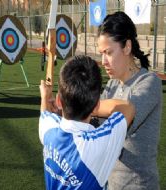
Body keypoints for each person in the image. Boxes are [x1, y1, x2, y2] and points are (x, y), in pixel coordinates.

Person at [39, 55, 135, 189]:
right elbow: (127, 107)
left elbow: (45, 113)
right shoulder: (96, 144)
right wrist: (91, 105)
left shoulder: (49, 129)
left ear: (59, 101)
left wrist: (45, 97)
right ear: (96, 106)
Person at [97, 11, 162, 190]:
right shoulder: (111, 84)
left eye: (108, 52)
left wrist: (85, 105)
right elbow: (95, 124)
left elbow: (126, 111)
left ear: (126, 47)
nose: (103, 61)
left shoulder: (149, 82)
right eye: (101, 53)